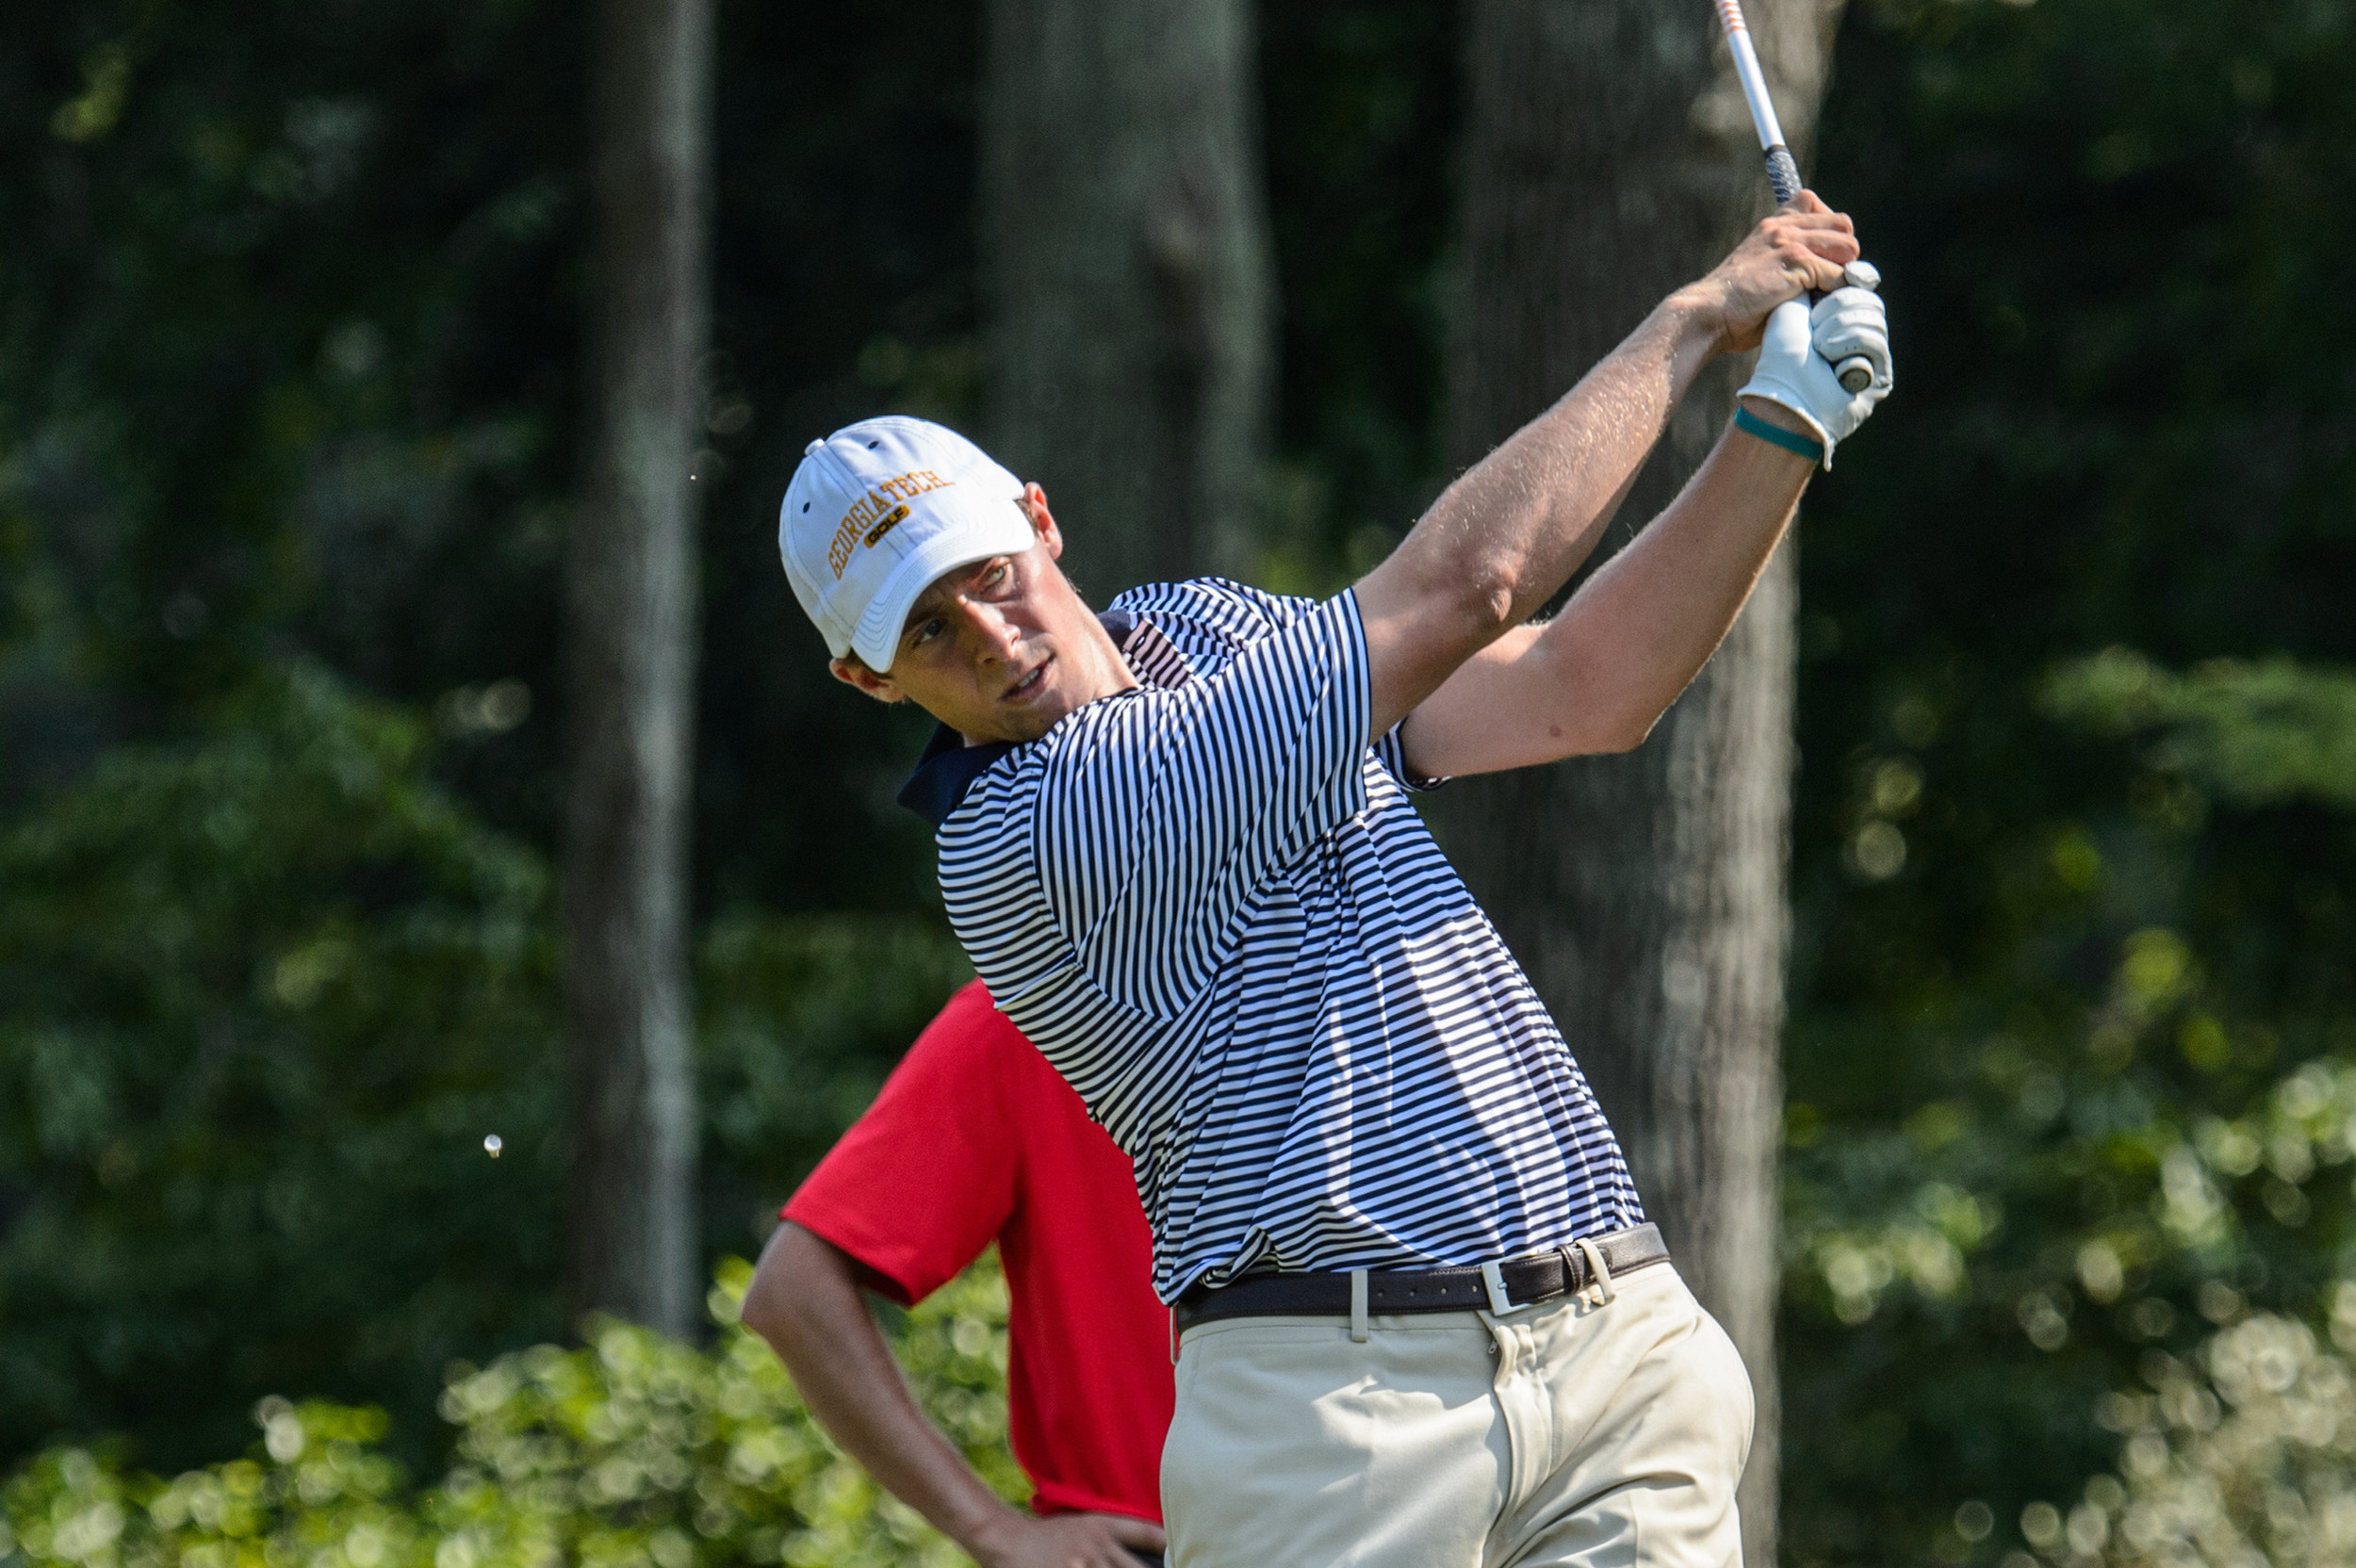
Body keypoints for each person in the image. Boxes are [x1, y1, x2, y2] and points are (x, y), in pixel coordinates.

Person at [775, 194, 1890, 1567]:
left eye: (990, 576)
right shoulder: (1029, 833)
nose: (994, 639)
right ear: (868, 679)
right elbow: (1466, 589)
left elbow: (1575, 689)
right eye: (929, 633)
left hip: (1614, 1345)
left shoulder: (1207, 628)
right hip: (1344, 1411)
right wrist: (1696, 319)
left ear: (1040, 519)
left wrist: (1778, 434)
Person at [739, 979, 1172, 1568]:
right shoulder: (1036, 1014)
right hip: (1138, 1549)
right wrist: (995, 1533)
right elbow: (794, 1292)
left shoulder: (1327, 1004)